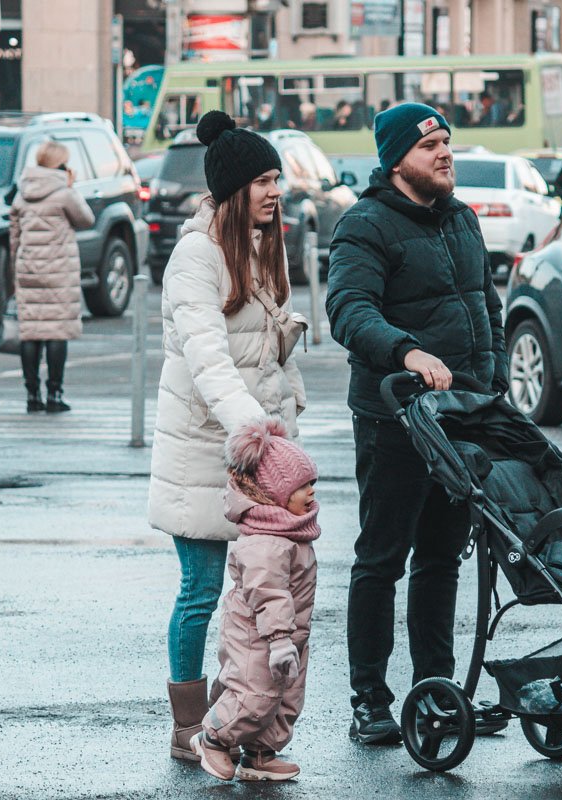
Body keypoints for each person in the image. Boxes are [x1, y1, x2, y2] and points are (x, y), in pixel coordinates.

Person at [325, 102, 508, 745]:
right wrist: (407, 352)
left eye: (447, 142)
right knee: (381, 560)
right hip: (395, 419)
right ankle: (369, 700)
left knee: (441, 560)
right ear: (397, 159)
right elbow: (348, 309)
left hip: (462, 418)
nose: (445, 153)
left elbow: (486, 305)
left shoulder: (461, 218)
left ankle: (437, 693)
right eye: (430, 145)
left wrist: (497, 384)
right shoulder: (364, 226)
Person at [151, 110, 308, 766]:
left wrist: (290, 420)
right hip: (204, 450)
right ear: (234, 187)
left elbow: (273, 356)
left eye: (278, 179)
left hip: (259, 459)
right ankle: (188, 725)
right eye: (265, 180)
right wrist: (256, 427)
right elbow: (209, 356)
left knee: (259, 598)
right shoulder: (196, 255)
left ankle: (235, 718)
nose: (276, 191)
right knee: (202, 587)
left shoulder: (261, 249)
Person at [191, 418, 319, 783]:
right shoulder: (266, 541)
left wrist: (289, 638)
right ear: (274, 492)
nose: (311, 492)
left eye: (312, 483)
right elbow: (268, 592)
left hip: (287, 633)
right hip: (257, 635)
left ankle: (259, 754)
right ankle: (213, 737)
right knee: (255, 694)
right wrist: (279, 640)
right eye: (301, 487)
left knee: (286, 697)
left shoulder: (291, 532)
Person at [9, 140, 95, 413]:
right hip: (59, 271)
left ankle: (31, 395)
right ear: (59, 164)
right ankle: (55, 394)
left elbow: (14, 238)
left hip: (28, 270)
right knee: (56, 332)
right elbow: (87, 219)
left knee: (31, 332)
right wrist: (70, 186)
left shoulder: (21, 193)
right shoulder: (64, 193)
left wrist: (16, 268)